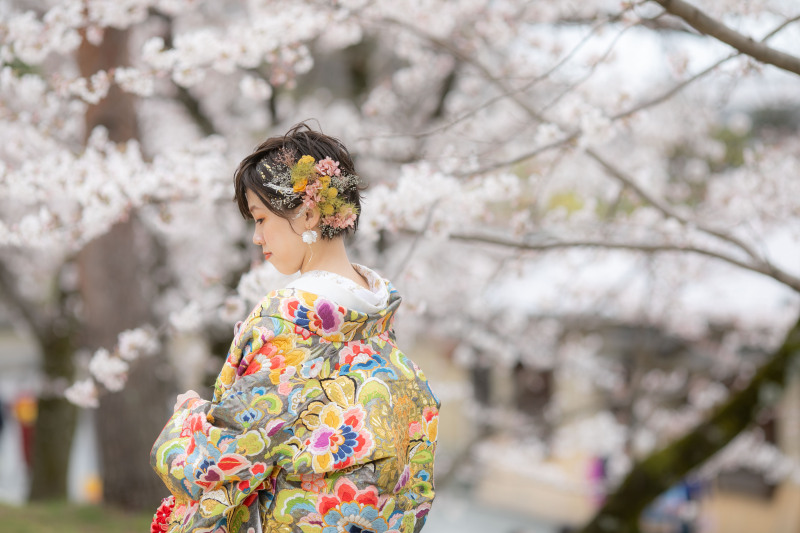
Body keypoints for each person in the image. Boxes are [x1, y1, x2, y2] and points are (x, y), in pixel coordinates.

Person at [150, 122, 440, 533]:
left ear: (308, 213)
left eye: (261, 218)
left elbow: (221, 461)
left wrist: (187, 418)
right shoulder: (378, 324)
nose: (257, 237)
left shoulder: (285, 323)